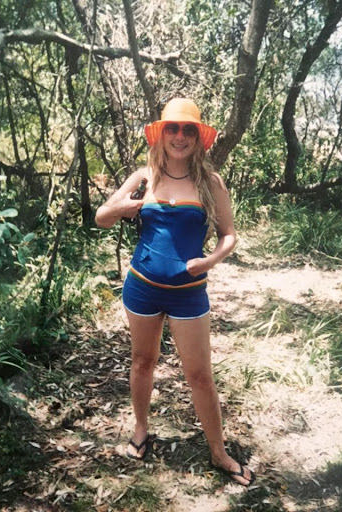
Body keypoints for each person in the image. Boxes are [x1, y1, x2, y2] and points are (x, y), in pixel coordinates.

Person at [94, 98, 255, 486]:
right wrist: (124, 207)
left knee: (200, 375)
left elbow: (229, 235)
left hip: (189, 293)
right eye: (173, 128)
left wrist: (209, 261)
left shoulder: (211, 182)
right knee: (142, 361)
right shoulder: (143, 176)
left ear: (198, 138)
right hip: (142, 289)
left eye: (188, 130)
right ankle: (140, 430)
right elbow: (101, 218)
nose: (180, 136)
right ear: (161, 134)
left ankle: (219, 453)